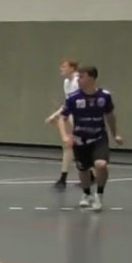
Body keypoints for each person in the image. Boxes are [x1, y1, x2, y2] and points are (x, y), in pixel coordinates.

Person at [46, 64, 122, 211]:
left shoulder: (104, 96)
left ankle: (99, 194)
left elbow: (110, 116)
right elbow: (62, 118)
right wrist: (64, 136)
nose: (78, 80)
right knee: (83, 169)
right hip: (80, 139)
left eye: (81, 77)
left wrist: (115, 134)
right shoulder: (74, 98)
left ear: (91, 78)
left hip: (99, 137)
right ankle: (87, 194)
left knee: (101, 164)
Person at [54, 58, 81, 188]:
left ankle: (64, 178)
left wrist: (58, 114)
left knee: (75, 146)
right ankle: (63, 178)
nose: (61, 69)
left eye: (64, 66)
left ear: (72, 68)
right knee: (70, 146)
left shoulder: (78, 81)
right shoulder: (66, 82)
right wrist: (55, 114)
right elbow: (68, 103)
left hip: (82, 118)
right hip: (73, 116)